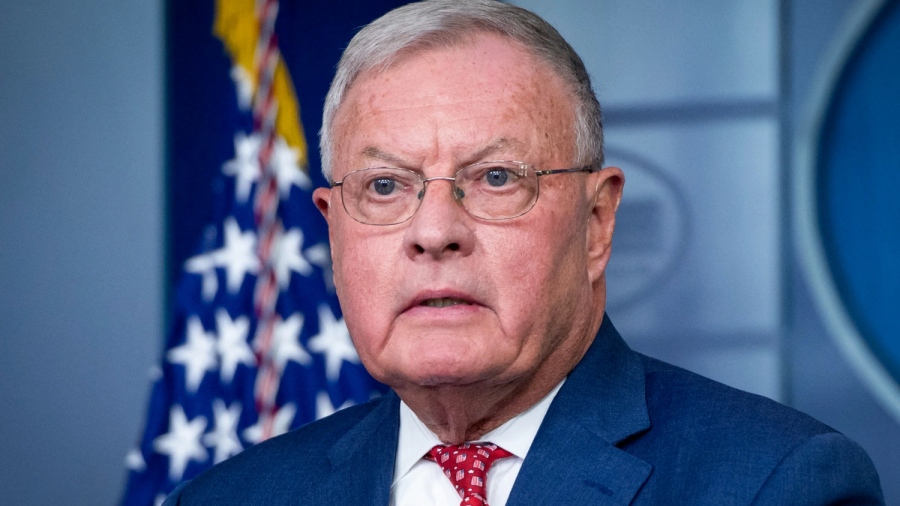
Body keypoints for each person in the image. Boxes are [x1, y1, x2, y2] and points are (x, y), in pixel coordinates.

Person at [164, 0, 884, 504]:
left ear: (596, 223)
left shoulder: (779, 484)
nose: (434, 231)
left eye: (496, 178)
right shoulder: (228, 497)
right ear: (332, 228)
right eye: (385, 186)